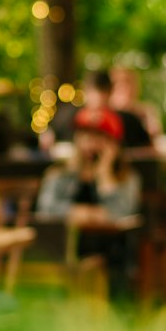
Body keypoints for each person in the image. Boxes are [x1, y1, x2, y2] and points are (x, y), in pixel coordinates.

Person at [36, 117, 141, 297]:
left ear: (114, 145)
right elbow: (45, 208)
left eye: (99, 137)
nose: (90, 145)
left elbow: (122, 214)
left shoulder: (126, 178)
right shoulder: (60, 174)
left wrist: (105, 175)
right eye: (85, 136)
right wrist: (77, 212)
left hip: (111, 255)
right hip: (67, 249)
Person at [110, 65, 161, 151]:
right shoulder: (105, 113)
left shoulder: (146, 111)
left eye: (127, 83)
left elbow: (154, 136)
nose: (123, 88)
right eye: (118, 83)